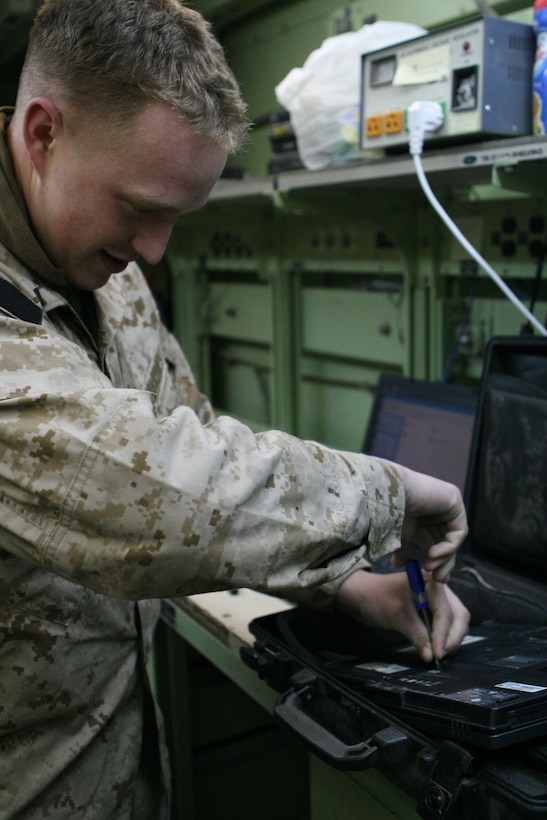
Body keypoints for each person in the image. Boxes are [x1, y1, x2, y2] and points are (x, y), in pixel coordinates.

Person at [0, 0, 470, 816]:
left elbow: (190, 432)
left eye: (176, 217)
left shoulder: (99, 262)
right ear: (44, 133)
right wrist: (387, 493)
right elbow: (143, 491)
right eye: (142, 208)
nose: (154, 252)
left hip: (113, 763)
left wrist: (344, 582)